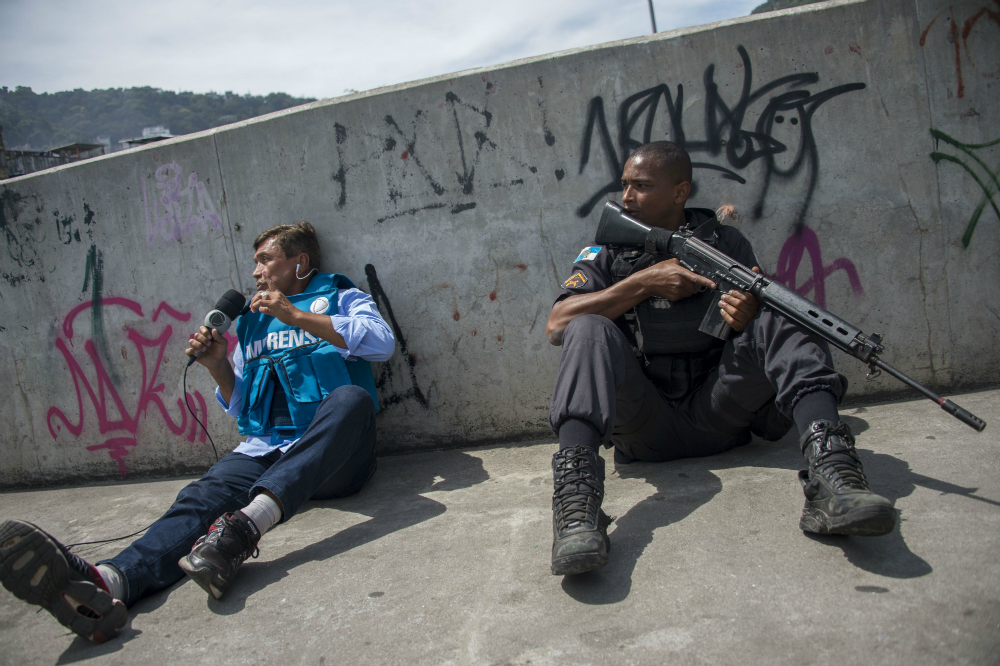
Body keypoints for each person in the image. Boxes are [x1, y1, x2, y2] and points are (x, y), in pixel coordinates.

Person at [0, 222, 395, 641]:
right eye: (255, 262)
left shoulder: (341, 296)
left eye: (266, 259)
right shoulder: (251, 325)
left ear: (300, 262)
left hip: (334, 461)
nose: (257, 271)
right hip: (266, 452)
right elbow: (242, 404)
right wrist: (219, 365)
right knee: (198, 499)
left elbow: (382, 343)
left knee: (351, 399)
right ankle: (108, 584)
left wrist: (295, 315)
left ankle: (243, 530)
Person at [545, 141, 896, 576]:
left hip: (721, 414)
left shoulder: (726, 243)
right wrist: (644, 283)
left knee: (782, 307)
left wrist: (747, 318)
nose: (627, 197)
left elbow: (756, 319)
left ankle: (834, 476)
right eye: (625, 185)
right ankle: (577, 511)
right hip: (645, 426)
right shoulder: (605, 252)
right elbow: (557, 325)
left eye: (642, 185)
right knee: (586, 326)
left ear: (680, 192)